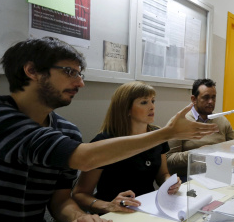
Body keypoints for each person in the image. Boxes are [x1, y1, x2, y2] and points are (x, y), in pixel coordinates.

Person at [0, 37, 217, 222]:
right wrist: (167, 133)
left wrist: (79, 216)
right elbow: (83, 159)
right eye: (70, 72)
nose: (80, 82)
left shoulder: (67, 131)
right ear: (32, 71)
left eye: (80, 73)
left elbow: (60, 200)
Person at [72, 82, 181, 214]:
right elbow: (80, 194)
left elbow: (162, 174)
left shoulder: (157, 136)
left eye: (153, 101)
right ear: (126, 109)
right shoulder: (104, 142)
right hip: (115, 214)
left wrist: (169, 182)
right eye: (144, 102)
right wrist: (108, 206)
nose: (152, 107)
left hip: (148, 207)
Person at [167, 79, 234, 182]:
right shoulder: (179, 122)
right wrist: (196, 154)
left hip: (217, 174)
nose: (211, 102)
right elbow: (169, 160)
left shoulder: (222, 121)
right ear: (194, 99)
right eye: (206, 97)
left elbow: (232, 151)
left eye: (213, 97)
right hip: (188, 177)